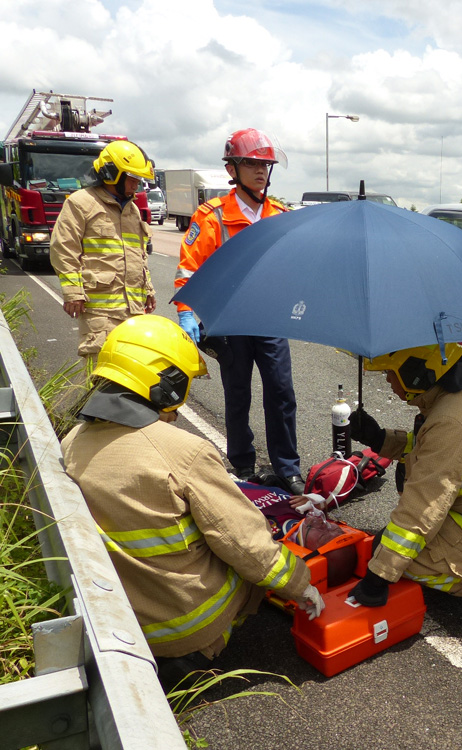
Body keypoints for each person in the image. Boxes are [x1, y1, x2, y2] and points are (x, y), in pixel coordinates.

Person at [61, 315, 323, 689]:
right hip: (188, 624)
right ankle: (203, 650)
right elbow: (244, 543)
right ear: (167, 385)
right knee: (246, 546)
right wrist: (300, 583)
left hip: (122, 618)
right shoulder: (182, 451)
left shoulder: (71, 442)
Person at [341, 344, 462, 622]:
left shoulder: (450, 420)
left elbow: (424, 507)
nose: (387, 380)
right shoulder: (453, 399)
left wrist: (379, 577)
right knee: (392, 545)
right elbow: (430, 451)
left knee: (390, 553)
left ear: (415, 374)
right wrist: (379, 438)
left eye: (390, 372)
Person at [173, 128, 304, 494]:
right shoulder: (211, 216)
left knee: (281, 391)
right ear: (232, 168)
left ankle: (287, 466)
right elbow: (188, 268)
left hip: (269, 317)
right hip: (229, 319)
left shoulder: (280, 215)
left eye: (265, 164)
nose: (261, 171)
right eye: (251, 163)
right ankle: (243, 462)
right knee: (238, 393)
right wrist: (186, 311)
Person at [50, 140, 156, 372]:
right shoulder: (81, 203)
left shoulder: (132, 208)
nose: (136, 186)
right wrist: (72, 292)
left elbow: (138, 254)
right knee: (101, 376)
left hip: (134, 310)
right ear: (111, 174)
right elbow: (63, 249)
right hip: (100, 312)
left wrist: (147, 289)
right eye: (132, 179)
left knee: (131, 374)